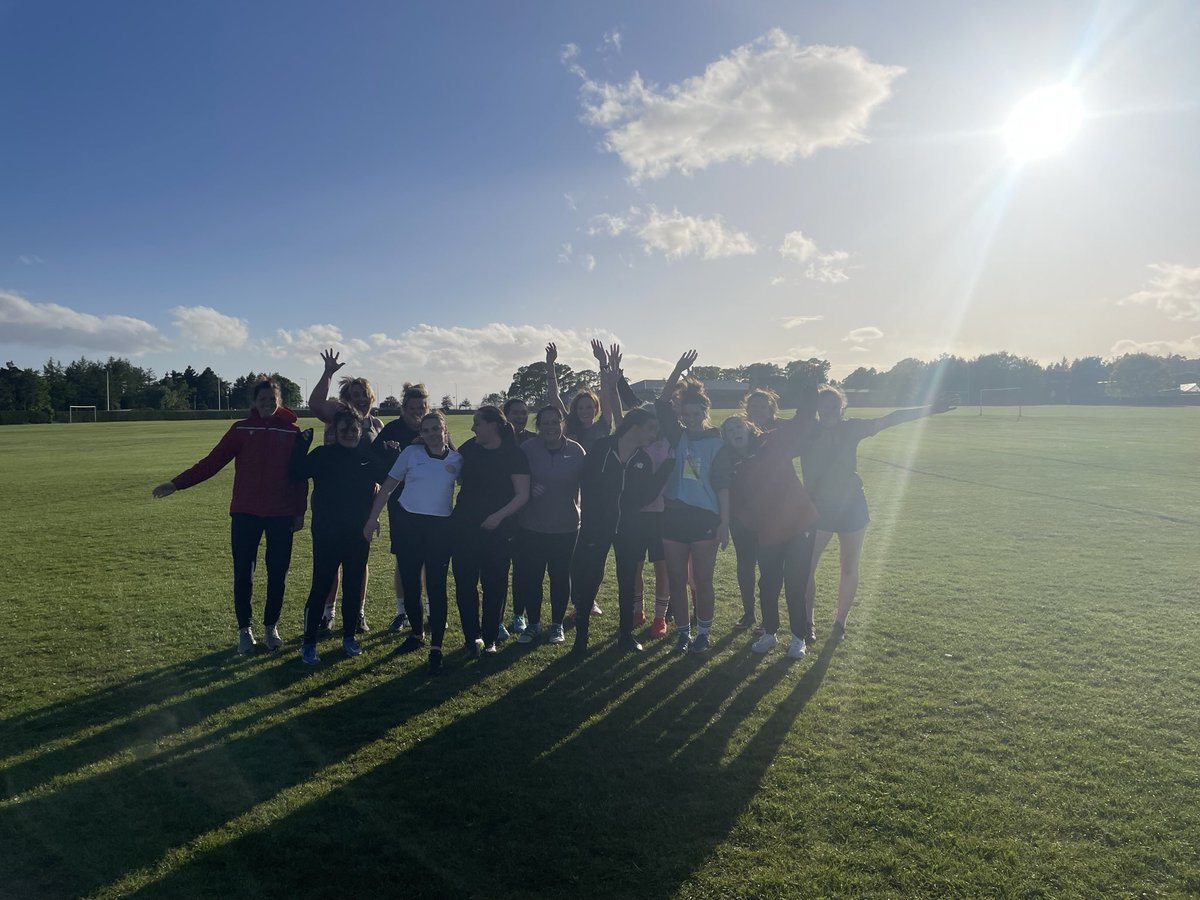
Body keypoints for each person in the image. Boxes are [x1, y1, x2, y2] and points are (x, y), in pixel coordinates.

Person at [151, 376, 308, 654]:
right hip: (245, 512)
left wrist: (299, 512)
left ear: (279, 401)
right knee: (243, 574)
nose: (268, 404)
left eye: (272, 399)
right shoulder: (241, 429)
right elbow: (212, 462)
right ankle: (245, 631)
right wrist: (176, 483)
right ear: (254, 402)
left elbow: (298, 478)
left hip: (280, 514)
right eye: (262, 400)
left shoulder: (292, 433)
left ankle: (271, 627)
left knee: (278, 574)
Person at [804, 385, 956, 641]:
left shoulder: (850, 428)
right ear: (816, 407)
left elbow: (892, 418)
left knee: (849, 566)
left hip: (852, 505)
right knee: (806, 567)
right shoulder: (806, 432)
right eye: (823, 404)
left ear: (842, 408)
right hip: (819, 507)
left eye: (833, 405)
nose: (828, 409)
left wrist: (928, 409)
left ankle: (839, 624)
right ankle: (808, 622)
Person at [569, 407, 673, 655]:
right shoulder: (602, 449)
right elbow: (585, 482)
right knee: (589, 581)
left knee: (627, 581)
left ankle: (625, 636)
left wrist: (667, 468)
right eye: (651, 429)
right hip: (596, 528)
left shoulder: (643, 459)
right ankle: (580, 640)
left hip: (629, 529)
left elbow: (645, 497)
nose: (654, 435)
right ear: (634, 427)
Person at [364, 411, 461, 675]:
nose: (431, 433)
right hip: (409, 526)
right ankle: (417, 634)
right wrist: (373, 518)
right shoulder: (410, 453)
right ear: (422, 432)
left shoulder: (457, 459)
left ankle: (437, 648)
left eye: (435, 428)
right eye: (426, 429)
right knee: (410, 584)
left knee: (437, 587)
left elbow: (473, 488)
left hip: (440, 529)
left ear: (444, 430)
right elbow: (387, 487)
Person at [291, 407, 389, 664]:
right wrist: (300, 446)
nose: (349, 434)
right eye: (343, 429)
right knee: (321, 586)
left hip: (358, 533)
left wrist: (393, 451)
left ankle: (349, 637)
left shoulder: (368, 458)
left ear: (361, 430)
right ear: (334, 431)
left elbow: (391, 479)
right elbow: (295, 473)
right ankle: (309, 642)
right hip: (327, 532)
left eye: (353, 429)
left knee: (354, 585)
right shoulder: (323, 455)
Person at [730, 388, 821, 659]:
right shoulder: (734, 453)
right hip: (768, 529)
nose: (756, 412)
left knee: (795, 581)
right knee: (768, 583)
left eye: (762, 407)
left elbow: (804, 419)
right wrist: (752, 523)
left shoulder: (777, 439)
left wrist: (810, 385)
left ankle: (798, 637)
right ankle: (770, 633)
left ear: (771, 410)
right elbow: (736, 499)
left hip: (799, 522)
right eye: (752, 407)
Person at [655, 352, 733, 654]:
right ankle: (683, 634)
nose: (688, 419)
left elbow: (724, 487)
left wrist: (724, 522)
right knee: (676, 580)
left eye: (693, 414)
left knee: (702, 581)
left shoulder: (719, 440)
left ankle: (703, 633)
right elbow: (662, 404)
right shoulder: (677, 435)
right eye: (683, 415)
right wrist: (676, 369)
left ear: (704, 410)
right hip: (674, 517)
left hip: (705, 520)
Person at [307, 349, 385, 636]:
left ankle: (358, 612)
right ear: (346, 398)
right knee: (330, 562)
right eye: (354, 394)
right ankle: (328, 613)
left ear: (371, 397)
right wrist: (328, 372)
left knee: (358, 561)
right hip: (331, 499)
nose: (360, 399)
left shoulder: (377, 425)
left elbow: (382, 466)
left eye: (364, 394)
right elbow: (315, 402)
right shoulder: (338, 415)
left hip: (362, 503)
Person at [452, 406, 530, 656]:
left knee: (494, 584)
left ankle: (490, 638)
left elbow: (522, 495)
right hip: (464, 528)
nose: (473, 427)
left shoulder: (514, 454)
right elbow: (449, 466)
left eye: (478, 423)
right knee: (465, 584)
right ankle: (471, 638)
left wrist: (497, 516)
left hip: (498, 530)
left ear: (493, 425)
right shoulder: (469, 449)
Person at [512, 405, 585, 646]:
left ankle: (556, 625)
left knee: (560, 577)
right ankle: (533, 624)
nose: (551, 427)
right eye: (545, 423)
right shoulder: (527, 449)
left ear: (562, 423)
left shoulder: (576, 451)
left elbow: (588, 486)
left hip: (566, 527)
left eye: (555, 422)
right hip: (531, 526)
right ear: (538, 426)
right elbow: (514, 480)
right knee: (532, 577)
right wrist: (529, 487)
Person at [373, 383, 434, 633]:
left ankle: (431, 611)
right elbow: (374, 462)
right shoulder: (392, 430)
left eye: (422, 407)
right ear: (403, 408)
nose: (417, 412)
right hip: (402, 506)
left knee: (430, 560)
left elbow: (452, 457)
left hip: (432, 506)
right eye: (412, 407)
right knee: (404, 560)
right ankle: (403, 612)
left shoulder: (434, 428)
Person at [714, 414, 765, 632]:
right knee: (745, 565)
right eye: (729, 430)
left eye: (738, 426)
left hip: (768, 518)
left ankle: (768, 616)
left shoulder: (763, 446)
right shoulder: (725, 456)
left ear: (749, 428)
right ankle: (749, 613)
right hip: (740, 521)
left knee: (768, 567)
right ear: (725, 437)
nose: (735, 431)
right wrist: (724, 524)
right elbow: (723, 490)